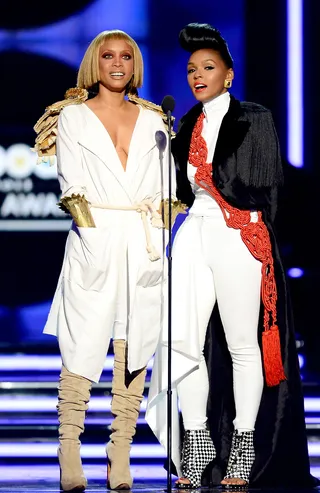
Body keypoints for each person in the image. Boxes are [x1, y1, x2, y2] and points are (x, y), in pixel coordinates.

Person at [146, 22, 318, 489]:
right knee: (183, 343)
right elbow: (181, 190)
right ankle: (197, 444)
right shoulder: (184, 124)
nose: (197, 76)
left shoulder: (255, 118)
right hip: (193, 231)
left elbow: (268, 187)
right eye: (190, 70)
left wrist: (251, 228)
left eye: (208, 67)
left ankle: (244, 446)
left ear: (229, 74)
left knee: (243, 345)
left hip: (239, 231)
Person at [33, 29, 176, 491]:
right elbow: (70, 186)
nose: (118, 63)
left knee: (135, 346)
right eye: (109, 56)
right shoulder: (72, 117)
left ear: (136, 65)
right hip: (93, 239)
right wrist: (92, 240)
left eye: (127, 56)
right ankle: (69, 448)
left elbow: (170, 189)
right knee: (82, 345)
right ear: (95, 63)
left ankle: (120, 450)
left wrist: (160, 233)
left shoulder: (156, 119)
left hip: (144, 240)